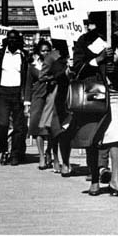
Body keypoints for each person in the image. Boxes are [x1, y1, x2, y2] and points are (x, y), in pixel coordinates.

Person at [72, 11, 118, 197]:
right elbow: (77, 68)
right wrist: (97, 60)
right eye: (98, 20)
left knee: (116, 134)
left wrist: (117, 69)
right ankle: (95, 179)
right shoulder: (84, 41)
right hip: (93, 91)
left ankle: (115, 180)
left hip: (113, 92)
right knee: (94, 135)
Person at [0, 29, 31, 166]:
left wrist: (26, 98)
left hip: (18, 93)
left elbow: (28, 75)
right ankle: (4, 150)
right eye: (10, 38)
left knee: (18, 127)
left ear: (19, 41)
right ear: (7, 40)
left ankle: (15, 154)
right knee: (3, 124)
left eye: (15, 39)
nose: (12, 41)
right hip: (2, 93)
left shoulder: (24, 55)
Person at [27, 40, 55, 170]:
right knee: (37, 128)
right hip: (38, 98)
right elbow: (28, 85)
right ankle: (42, 157)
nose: (45, 52)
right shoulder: (33, 66)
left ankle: (49, 152)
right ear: (38, 52)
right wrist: (27, 102)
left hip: (51, 97)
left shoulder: (54, 64)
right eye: (43, 50)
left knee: (50, 127)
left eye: (47, 50)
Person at [45, 39, 72, 176]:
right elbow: (52, 76)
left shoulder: (79, 58)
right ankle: (61, 160)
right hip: (60, 101)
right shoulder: (57, 63)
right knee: (58, 133)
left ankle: (65, 161)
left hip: (77, 101)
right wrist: (66, 71)